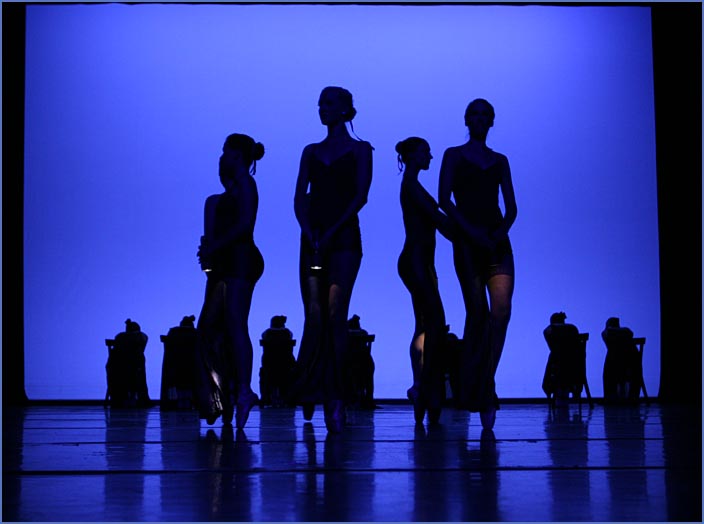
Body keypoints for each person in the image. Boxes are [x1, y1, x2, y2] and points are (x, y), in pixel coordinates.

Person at [290, 86, 373, 433]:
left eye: (328, 103)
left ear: (344, 109)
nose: (322, 108)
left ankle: (335, 396)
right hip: (313, 236)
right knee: (314, 314)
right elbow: (299, 196)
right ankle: (312, 387)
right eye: (320, 103)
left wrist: (331, 230)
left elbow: (360, 196)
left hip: (344, 237)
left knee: (337, 313)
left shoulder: (361, 149)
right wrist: (309, 231)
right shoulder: (311, 151)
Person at [438, 98, 517, 430]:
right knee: (478, 313)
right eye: (475, 114)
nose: (480, 119)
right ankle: (476, 386)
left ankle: (486, 382)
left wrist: (497, 234)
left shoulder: (499, 160)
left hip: (496, 241)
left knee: (501, 313)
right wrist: (471, 233)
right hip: (468, 242)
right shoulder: (453, 155)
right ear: (466, 119)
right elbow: (444, 199)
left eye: (486, 114)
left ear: (492, 121)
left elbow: (511, 208)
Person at [195, 133, 265, 429]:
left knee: (235, 324)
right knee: (211, 328)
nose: (221, 156)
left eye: (225, 151)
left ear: (237, 155)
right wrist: (209, 251)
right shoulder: (217, 200)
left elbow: (245, 226)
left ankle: (243, 390)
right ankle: (222, 393)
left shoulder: (247, 183)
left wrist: (213, 247)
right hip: (226, 263)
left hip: (241, 260)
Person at [395, 137, 455, 425]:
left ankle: (421, 385)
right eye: (425, 152)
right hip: (416, 262)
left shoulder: (412, 184)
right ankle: (426, 387)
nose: (430, 156)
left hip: (420, 263)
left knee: (424, 325)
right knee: (434, 324)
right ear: (411, 156)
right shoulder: (411, 185)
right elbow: (437, 219)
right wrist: (469, 234)